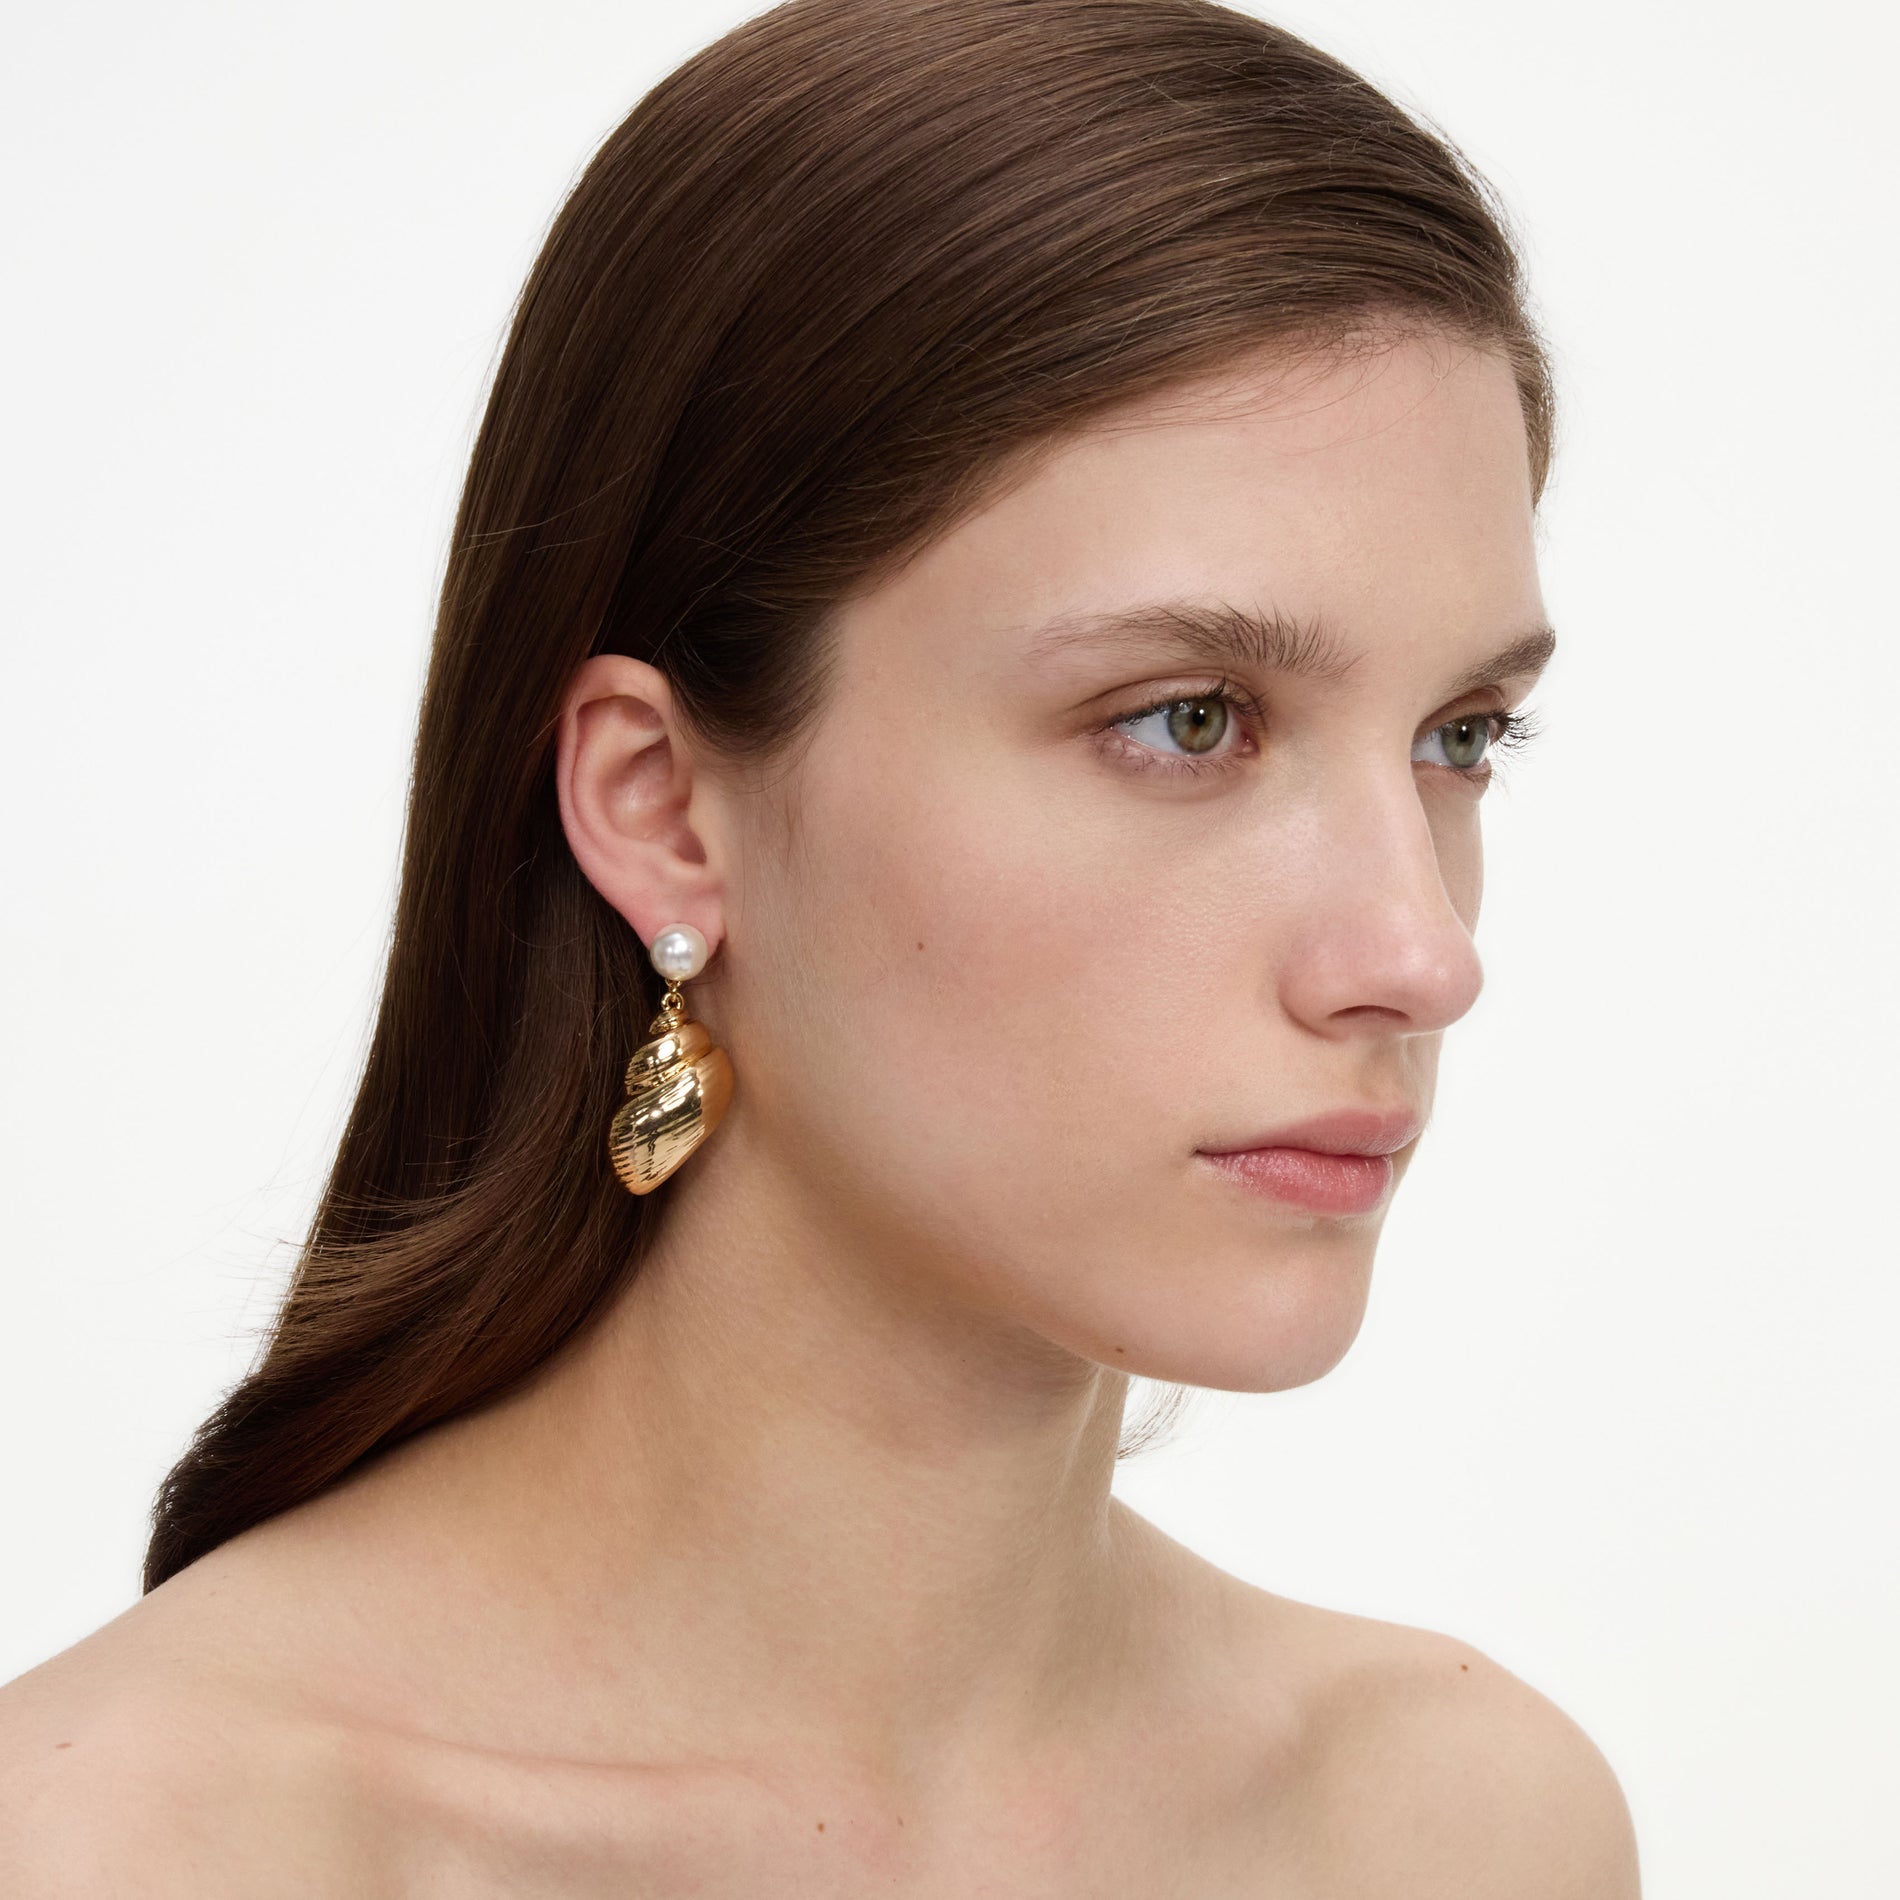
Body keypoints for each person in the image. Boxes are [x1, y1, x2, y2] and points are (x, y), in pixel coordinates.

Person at [0, 0, 1641, 1889]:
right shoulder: (146, 1848)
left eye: (1462, 738)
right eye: (1187, 718)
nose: (1418, 953)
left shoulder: (1455, 1828)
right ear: (660, 803)